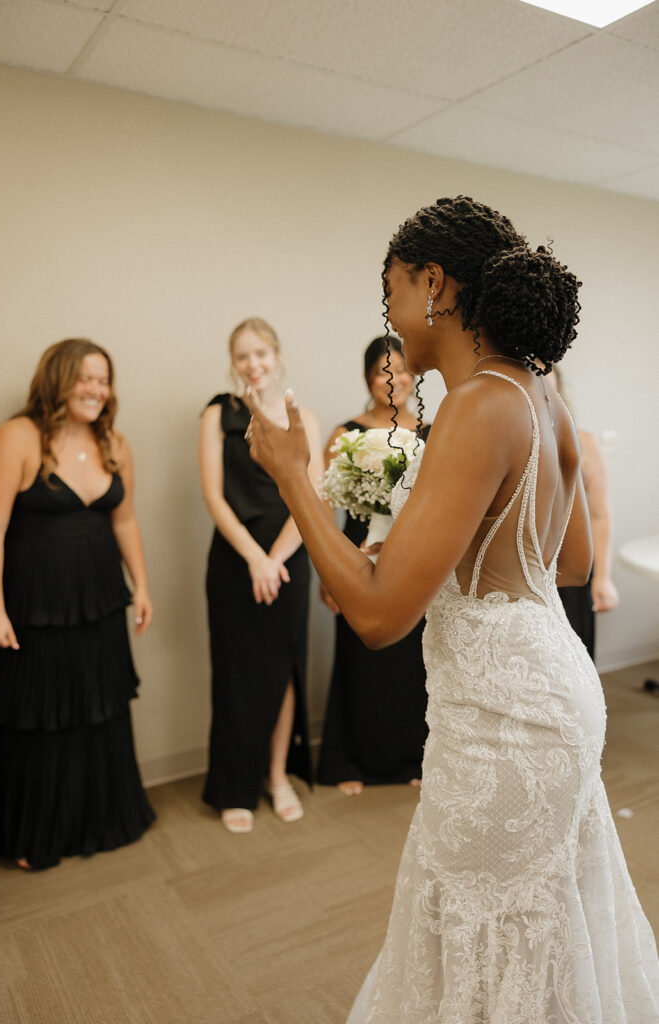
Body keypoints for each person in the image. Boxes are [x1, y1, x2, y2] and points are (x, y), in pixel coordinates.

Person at [245, 198, 659, 1021]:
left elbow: (374, 619)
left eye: (391, 290)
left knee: (486, 929)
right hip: (555, 690)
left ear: (434, 283)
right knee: (532, 925)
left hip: (506, 723)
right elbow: (565, 563)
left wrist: (291, 472)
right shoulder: (542, 396)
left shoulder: (476, 405)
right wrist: (407, 559)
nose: (391, 316)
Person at [0, 338, 155, 870]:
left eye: (104, 380)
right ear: (58, 378)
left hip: (98, 602)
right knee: (38, 713)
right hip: (33, 607)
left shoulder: (114, 443)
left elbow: (124, 519)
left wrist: (142, 586)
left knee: (95, 706)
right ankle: (34, 832)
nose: (98, 390)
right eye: (87, 378)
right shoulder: (19, 436)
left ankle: (95, 820)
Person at [198, 317, 323, 834]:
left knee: (283, 672)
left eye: (261, 354)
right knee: (235, 675)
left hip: (288, 560)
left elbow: (310, 498)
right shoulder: (217, 413)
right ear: (233, 362)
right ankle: (234, 786)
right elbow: (213, 495)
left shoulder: (305, 419)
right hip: (234, 559)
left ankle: (276, 778)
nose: (253, 364)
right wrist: (254, 557)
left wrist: (275, 558)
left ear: (276, 356)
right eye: (243, 356)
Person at [318, 336, 428, 795]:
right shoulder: (346, 433)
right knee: (359, 656)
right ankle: (350, 761)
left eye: (401, 369)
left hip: (412, 557)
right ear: (368, 377)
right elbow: (325, 508)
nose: (394, 379)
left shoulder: (430, 431)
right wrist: (329, 572)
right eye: (384, 370)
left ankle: (413, 759)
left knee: (412, 662)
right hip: (356, 554)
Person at [552, 366, 619, 660]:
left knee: (575, 659)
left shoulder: (585, 444)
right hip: (523, 575)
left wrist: (603, 577)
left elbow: (599, 514)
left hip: (573, 572)